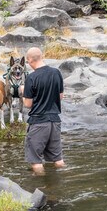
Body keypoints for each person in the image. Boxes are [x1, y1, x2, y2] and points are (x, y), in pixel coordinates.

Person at [21, 47, 65, 175]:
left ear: (29, 60)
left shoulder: (31, 78)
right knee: (58, 159)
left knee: (36, 161)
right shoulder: (56, 72)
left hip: (39, 122)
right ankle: (61, 184)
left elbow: (28, 104)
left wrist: (24, 92)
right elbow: (60, 96)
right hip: (55, 121)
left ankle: (41, 187)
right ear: (41, 57)